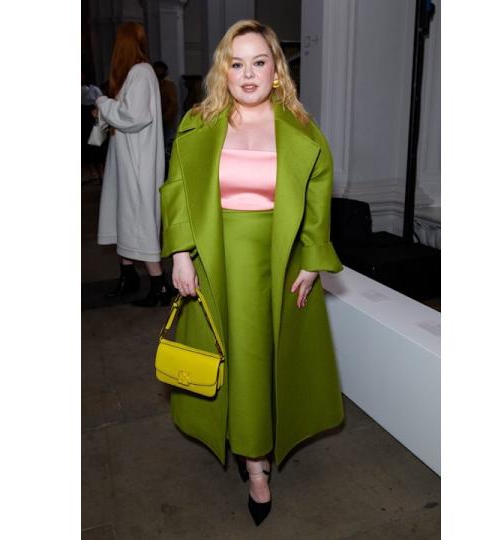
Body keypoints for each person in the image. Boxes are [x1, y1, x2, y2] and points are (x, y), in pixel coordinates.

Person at [160, 20, 344, 526]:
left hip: (278, 265)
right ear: (224, 70)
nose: (247, 74)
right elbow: (176, 187)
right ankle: (255, 466)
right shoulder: (200, 123)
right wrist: (179, 253)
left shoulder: (301, 130)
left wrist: (311, 260)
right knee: (234, 358)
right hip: (218, 261)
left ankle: (256, 454)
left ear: (276, 71)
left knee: (265, 362)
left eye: (259, 62)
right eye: (236, 63)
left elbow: (316, 200)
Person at [94, 22, 172, 307]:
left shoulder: (141, 72)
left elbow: (134, 116)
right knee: (123, 215)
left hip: (136, 161)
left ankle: (159, 284)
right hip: (126, 158)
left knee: (139, 217)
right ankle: (129, 276)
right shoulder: (135, 74)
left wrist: (102, 102)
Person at [152, 61, 179, 168]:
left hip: (165, 120)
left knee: (165, 147)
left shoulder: (168, 84)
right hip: (157, 120)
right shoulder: (156, 82)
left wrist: (164, 118)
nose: (157, 71)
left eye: (159, 69)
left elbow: (172, 104)